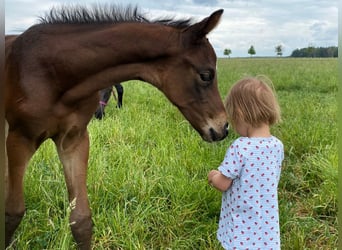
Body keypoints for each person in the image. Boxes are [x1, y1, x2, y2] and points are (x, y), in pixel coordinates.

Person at [208, 76, 284, 249]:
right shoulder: (277, 146)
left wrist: (213, 176)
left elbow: (223, 184)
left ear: (240, 114)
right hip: (267, 226)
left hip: (242, 227)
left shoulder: (241, 147)